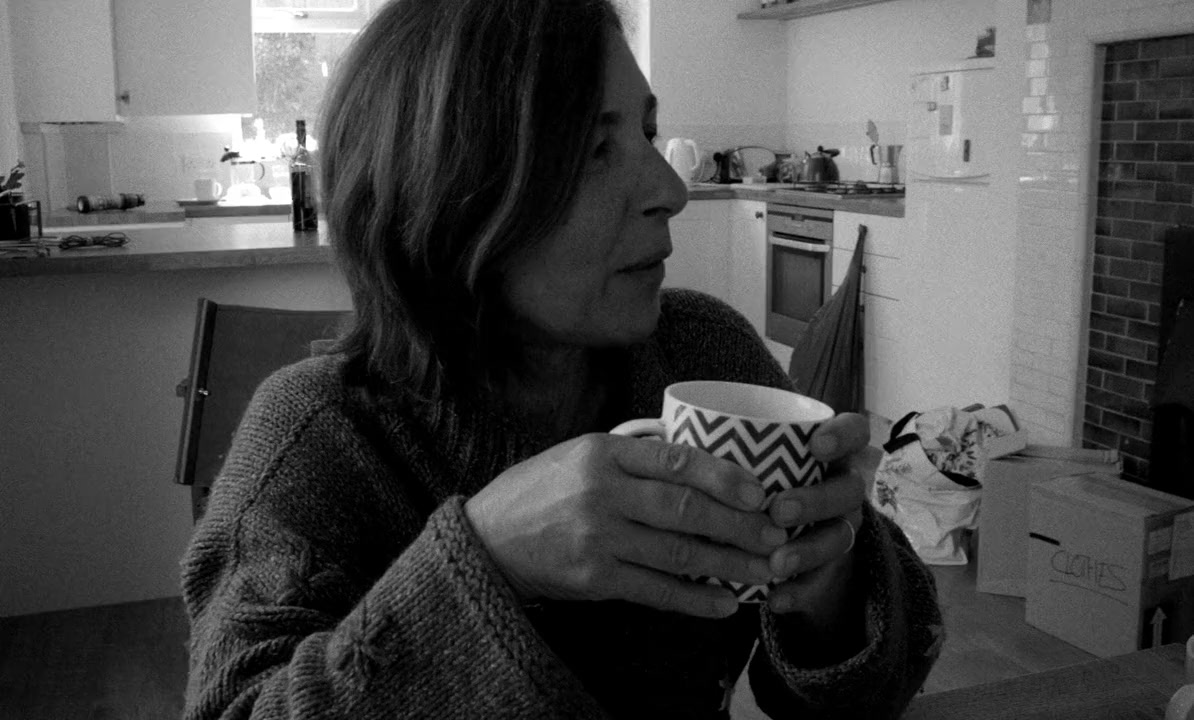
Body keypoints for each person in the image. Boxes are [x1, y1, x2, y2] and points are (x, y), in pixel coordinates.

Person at [180, 0, 944, 718]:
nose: (670, 190)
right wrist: (487, 563)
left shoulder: (702, 357)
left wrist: (832, 584)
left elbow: (865, 696)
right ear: (448, 194)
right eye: (593, 150)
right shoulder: (319, 438)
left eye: (648, 133)